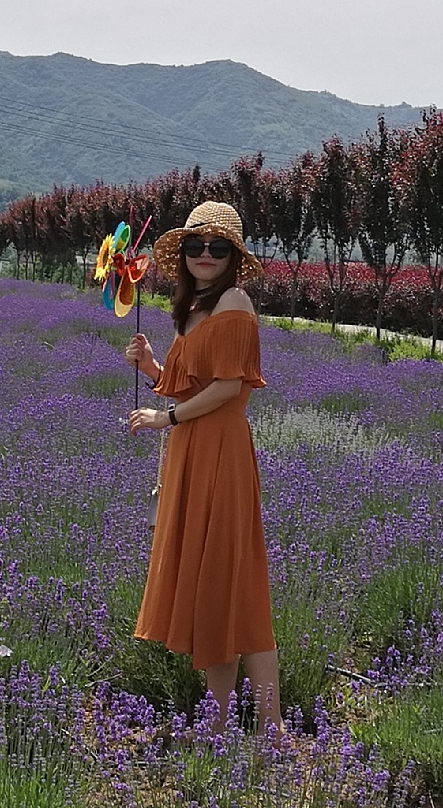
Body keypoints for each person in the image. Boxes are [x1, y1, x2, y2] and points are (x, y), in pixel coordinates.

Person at [124, 201, 282, 734]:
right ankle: (218, 724)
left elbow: (229, 387)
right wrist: (152, 367)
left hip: (220, 453)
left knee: (235, 585)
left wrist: (165, 417)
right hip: (192, 450)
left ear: (233, 257)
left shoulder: (234, 302)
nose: (205, 255)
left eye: (218, 247)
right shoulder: (193, 309)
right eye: (196, 246)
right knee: (213, 591)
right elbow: (189, 385)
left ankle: (270, 727)